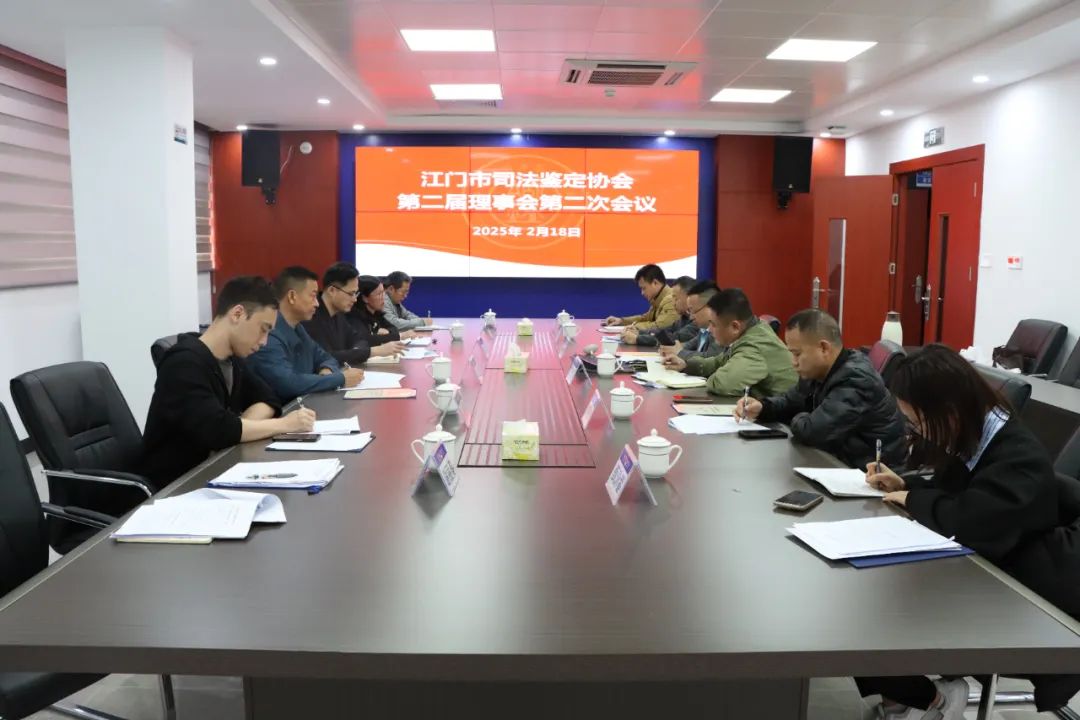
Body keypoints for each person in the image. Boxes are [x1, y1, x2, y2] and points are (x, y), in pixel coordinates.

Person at [858, 344, 1080, 717]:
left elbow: (970, 519)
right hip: (993, 573)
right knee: (872, 602)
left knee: (874, 617)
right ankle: (905, 698)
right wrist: (907, 484)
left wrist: (913, 499)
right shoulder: (977, 435)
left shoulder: (1016, 455)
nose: (917, 432)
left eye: (918, 422)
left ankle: (928, 700)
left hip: (1024, 601)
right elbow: (959, 492)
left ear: (948, 411)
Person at [140, 276, 317, 488]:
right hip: (176, 486)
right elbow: (217, 430)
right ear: (237, 314)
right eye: (263, 329)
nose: (264, 341)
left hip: (214, 472)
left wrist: (239, 427)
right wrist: (284, 425)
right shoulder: (184, 363)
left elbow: (268, 399)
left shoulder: (232, 359)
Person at [735, 308, 906, 469]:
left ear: (824, 348)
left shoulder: (855, 379)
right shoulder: (817, 371)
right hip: (838, 463)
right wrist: (763, 407)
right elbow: (790, 401)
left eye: (797, 354)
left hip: (873, 476)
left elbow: (813, 432)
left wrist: (799, 415)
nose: (793, 362)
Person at [248, 266, 365, 402]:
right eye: (313, 296)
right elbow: (288, 383)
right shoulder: (268, 334)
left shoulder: (298, 328)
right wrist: (340, 379)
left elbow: (326, 357)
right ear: (292, 296)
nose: (317, 304)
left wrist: (327, 370)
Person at [663, 288, 797, 398]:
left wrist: (711, 377)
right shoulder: (754, 328)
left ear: (735, 327)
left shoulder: (754, 345)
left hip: (783, 418)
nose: (710, 330)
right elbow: (719, 361)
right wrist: (686, 365)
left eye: (714, 325)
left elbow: (721, 384)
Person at [304, 263, 405, 364]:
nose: (355, 299)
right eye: (351, 293)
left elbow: (359, 340)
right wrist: (372, 351)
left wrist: (356, 352)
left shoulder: (339, 314)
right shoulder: (310, 316)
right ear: (332, 291)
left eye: (356, 294)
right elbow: (325, 357)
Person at [603, 263, 680, 333]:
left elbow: (659, 327)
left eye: (644, 288)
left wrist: (634, 327)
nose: (642, 293)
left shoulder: (671, 299)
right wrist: (621, 321)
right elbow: (645, 318)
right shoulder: (657, 298)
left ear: (655, 283)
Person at [622, 275, 696, 347]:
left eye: (676, 298)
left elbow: (673, 338)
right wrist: (639, 332)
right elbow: (663, 331)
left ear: (689, 298)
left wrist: (637, 339)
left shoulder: (696, 322)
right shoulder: (683, 318)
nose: (673, 302)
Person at [660, 280, 723, 362]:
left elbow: (710, 357)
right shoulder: (703, 329)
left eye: (693, 311)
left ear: (710, 307)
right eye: (689, 311)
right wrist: (672, 349)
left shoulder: (722, 330)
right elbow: (686, 346)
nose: (691, 317)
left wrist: (679, 352)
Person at [347, 275, 416, 347]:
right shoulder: (354, 317)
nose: (383, 298)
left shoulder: (377, 313)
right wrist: (400, 336)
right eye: (379, 294)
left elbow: (394, 329)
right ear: (365, 298)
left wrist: (387, 332)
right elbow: (366, 340)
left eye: (383, 293)